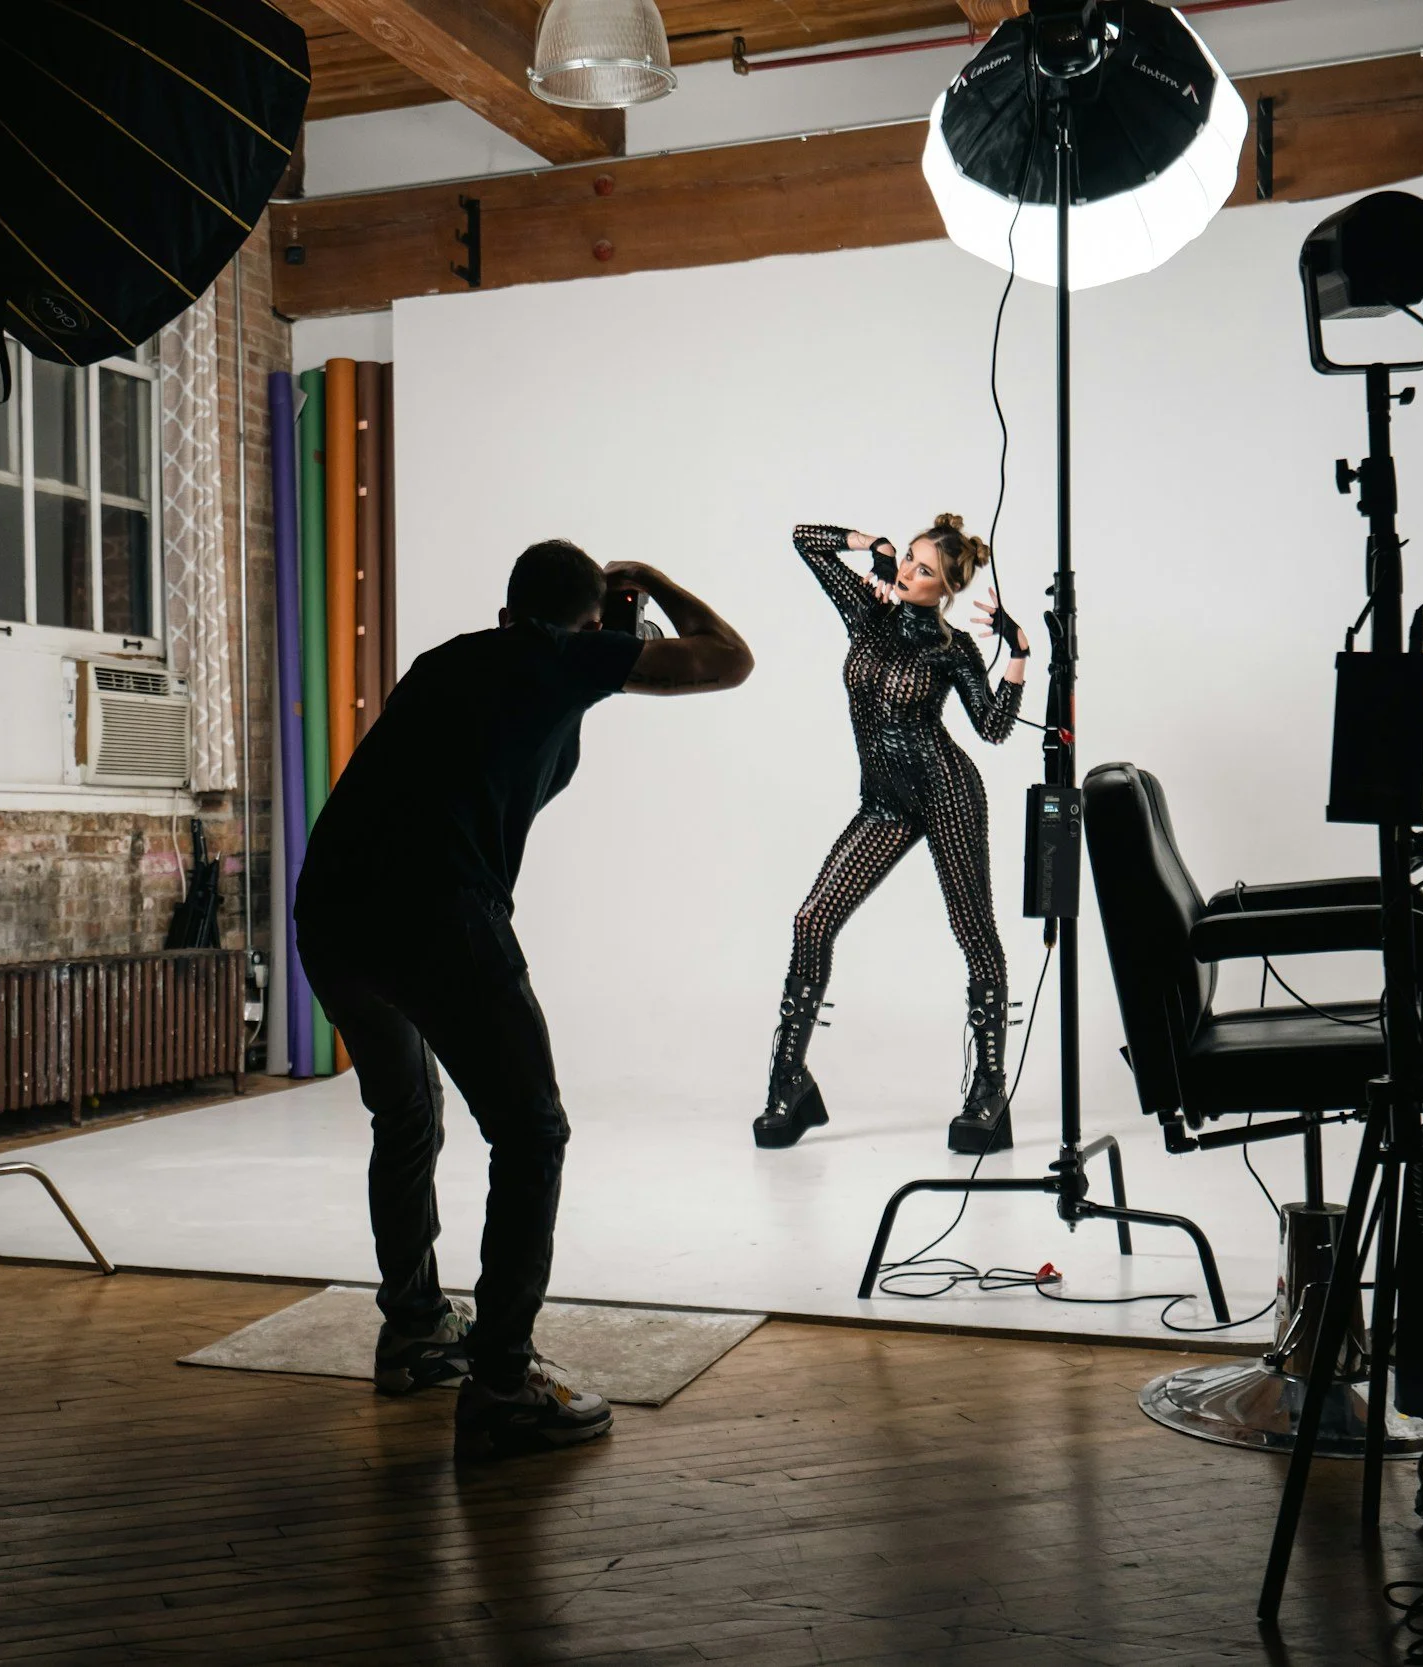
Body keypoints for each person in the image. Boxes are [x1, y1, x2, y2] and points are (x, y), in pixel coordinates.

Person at [297, 539, 753, 1460]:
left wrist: (602, 640)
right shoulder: (562, 655)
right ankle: (503, 1378)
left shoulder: (453, 660)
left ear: (509, 608)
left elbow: (527, 722)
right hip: (437, 913)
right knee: (532, 1131)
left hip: (334, 913)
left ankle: (416, 1330)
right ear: (588, 620)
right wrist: (654, 583)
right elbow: (726, 659)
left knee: (407, 1111)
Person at [752, 517, 1029, 1154]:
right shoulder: (866, 611)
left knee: (974, 934)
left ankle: (989, 1091)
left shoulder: (952, 648)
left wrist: (1016, 654)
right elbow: (803, 540)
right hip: (885, 803)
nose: (907, 572)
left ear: (948, 590)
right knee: (812, 920)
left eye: (923, 569)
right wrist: (868, 546)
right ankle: (790, 1084)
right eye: (907, 558)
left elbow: (990, 728)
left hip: (947, 795)